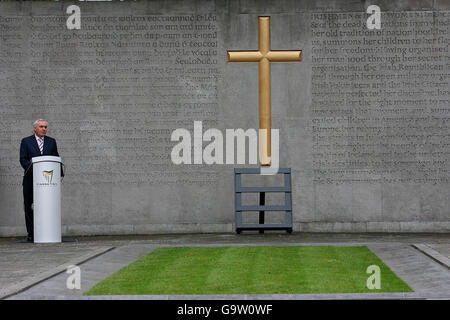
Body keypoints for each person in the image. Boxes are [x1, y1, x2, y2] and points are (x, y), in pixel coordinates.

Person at [19, 119, 60, 242]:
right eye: (41, 127)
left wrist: (59, 173)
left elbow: (55, 157)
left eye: (45, 127)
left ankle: (47, 232)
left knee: (47, 206)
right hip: (30, 181)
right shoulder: (26, 141)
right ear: (35, 128)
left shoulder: (51, 142)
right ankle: (31, 233)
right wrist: (35, 172)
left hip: (47, 183)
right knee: (29, 207)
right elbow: (23, 159)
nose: (44, 129)